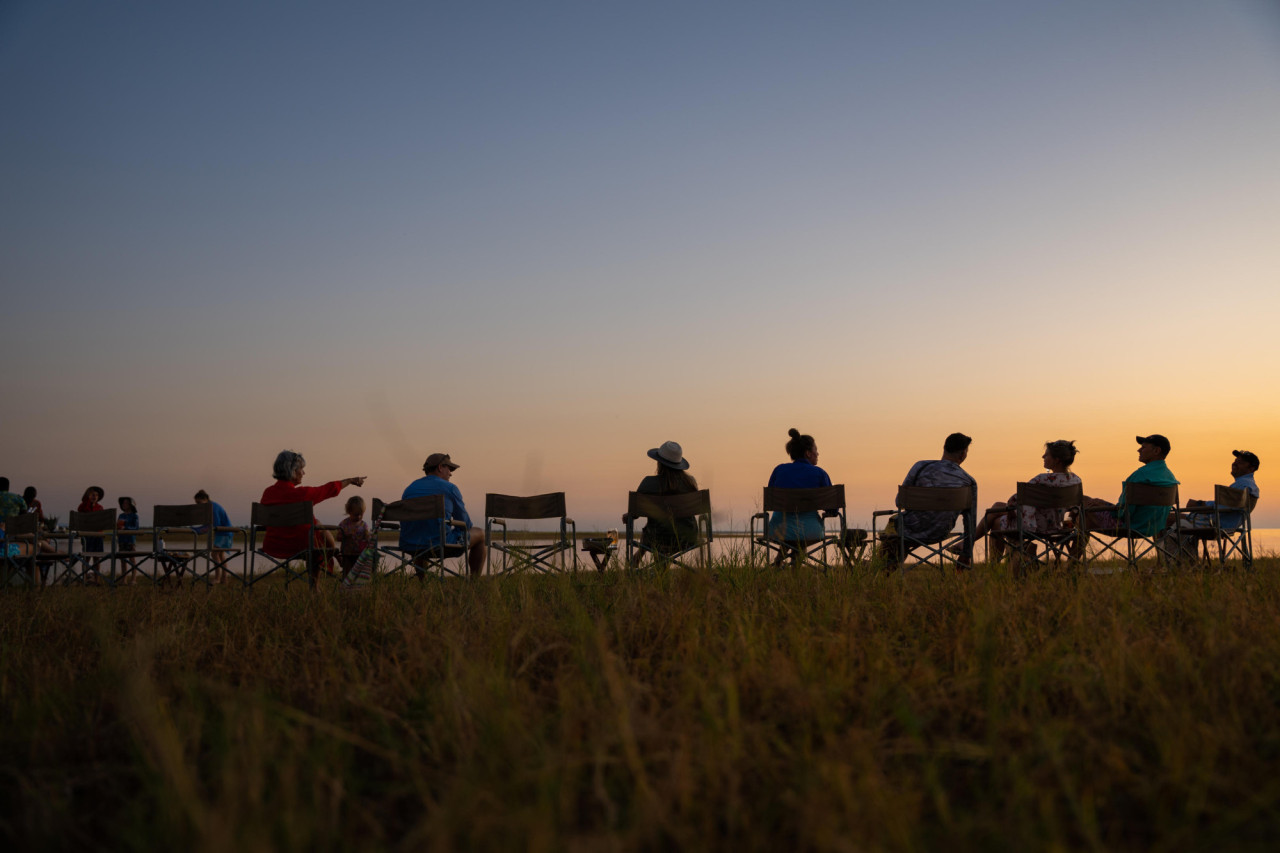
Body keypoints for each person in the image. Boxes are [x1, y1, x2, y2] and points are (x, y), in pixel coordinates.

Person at [260, 450, 365, 584]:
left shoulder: (268, 493)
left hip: (273, 546)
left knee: (317, 525)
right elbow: (329, 489)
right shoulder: (303, 494)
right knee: (316, 540)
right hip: (301, 547)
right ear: (292, 471)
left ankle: (336, 556)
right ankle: (315, 585)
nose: (304, 473)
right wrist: (350, 480)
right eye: (301, 469)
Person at [878, 433, 977, 569]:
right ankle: (885, 568)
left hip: (910, 528)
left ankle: (880, 569)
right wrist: (966, 553)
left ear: (944, 448)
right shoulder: (969, 481)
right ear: (962, 455)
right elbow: (970, 521)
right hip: (940, 531)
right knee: (900, 533)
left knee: (896, 528)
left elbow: (899, 502)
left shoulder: (920, 467)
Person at [973, 440, 1081, 561]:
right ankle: (971, 544)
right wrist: (1068, 523)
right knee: (997, 506)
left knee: (995, 521)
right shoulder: (1076, 481)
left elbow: (1014, 501)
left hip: (1034, 526)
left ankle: (990, 561)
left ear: (1057, 460)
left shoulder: (1042, 479)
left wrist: (1010, 511)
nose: (1043, 457)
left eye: (1047, 455)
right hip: (1058, 526)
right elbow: (1076, 508)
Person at [1162, 449, 1259, 560]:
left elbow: (1223, 506)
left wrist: (1199, 504)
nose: (1234, 463)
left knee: (1164, 518)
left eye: (1240, 462)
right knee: (1171, 517)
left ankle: (1176, 562)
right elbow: (1225, 505)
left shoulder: (1243, 485)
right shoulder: (1248, 485)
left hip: (1214, 524)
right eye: (1235, 460)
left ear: (1251, 468)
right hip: (1220, 523)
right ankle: (1182, 559)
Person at [401, 453, 486, 576]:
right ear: (440, 467)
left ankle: (422, 582)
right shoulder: (450, 488)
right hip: (439, 544)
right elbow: (465, 524)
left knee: (421, 533)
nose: (451, 473)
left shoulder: (409, 489)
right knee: (480, 534)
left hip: (410, 544)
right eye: (449, 469)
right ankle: (474, 584)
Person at [1084, 435, 1179, 537]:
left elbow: (1122, 513)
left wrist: (1103, 506)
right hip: (1155, 527)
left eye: (1143, 447)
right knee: (1092, 502)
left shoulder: (1140, 476)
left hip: (1129, 526)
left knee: (1082, 506)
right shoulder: (1170, 478)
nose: (1139, 450)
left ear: (1156, 451)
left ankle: (1073, 551)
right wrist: (1103, 504)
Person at [765, 428, 835, 566]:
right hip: (810, 530)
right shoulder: (820, 473)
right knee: (801, 529)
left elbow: (771, 497)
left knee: (791, 531)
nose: (818, 453)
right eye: (816, 449)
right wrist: (830, 512)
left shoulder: (779, 470)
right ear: (808, 453)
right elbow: (832, 507)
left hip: (779, 529)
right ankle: (794, 569)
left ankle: (778, 565)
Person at [629, 441, 701, 566]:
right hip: (687, 539)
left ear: (659, 462)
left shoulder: (648, 483)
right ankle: (660, 568)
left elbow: (634, 514)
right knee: (659, 527)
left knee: (651, 529)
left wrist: (628, 516)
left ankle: (638, 557)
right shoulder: (690, 483)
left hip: (657, 540)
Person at [193, 490, 234, 584]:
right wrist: (196, 530)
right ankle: (224, 579)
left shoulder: (213, 508)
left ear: (206, 499)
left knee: (214, 554)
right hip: (222, 533)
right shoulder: (210, 507)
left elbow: (214, 525)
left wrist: (198, 530)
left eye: (199, 503)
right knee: (220, 555)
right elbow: (209, 525)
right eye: (196, 503)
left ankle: (217, 578)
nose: (198, 505)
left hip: (225, 533)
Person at [337, 495, 371, 579]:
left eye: (361, 514)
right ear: (349, 512)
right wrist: (345, 536)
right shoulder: (344, 524)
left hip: (360, 553)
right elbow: (338, 537)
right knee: (347, 571)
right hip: (347, 552)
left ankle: (358, 585)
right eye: (356, 515)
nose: (358, 517)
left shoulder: (364, 525)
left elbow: (367, 539)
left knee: (359, 571)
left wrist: (368, 537)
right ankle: (345, 585)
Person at [77, 486, 106, 580]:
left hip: (97, 536)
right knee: (87, 557)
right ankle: (85, 578)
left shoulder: (100, 507)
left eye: (96, 495)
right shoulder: (84, 506)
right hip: (87, 536)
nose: (95, 497)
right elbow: (80, 512)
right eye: (92, 495)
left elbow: (102, 523)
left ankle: (96, 579)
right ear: (88, 496)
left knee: (96, 558)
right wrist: (87, 500)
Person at [116, 496, 140, 584]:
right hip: (121, 540)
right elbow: (118, 526)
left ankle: (134, 579)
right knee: (123, 560)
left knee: (132, 559)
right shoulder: (121, 515)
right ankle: (124, 579)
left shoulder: (134, 516)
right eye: (123, 503)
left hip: (130, 540)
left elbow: (136, 528)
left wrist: (126, 528)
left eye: (126, 503)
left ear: (131, 504)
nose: (124, 504)